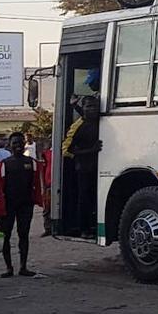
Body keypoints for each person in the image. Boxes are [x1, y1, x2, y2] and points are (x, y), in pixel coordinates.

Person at [0, 132, 47, 278]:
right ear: (9, 145)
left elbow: (39, 183)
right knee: (5, 236)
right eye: (15, 143)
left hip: (25, 205)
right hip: (7, 206)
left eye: (20, 142)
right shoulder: (3, 165)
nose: (18, 145)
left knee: (24, 235)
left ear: (24, 144)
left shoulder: (32, 163)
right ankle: (9, 268)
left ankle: (23, 267)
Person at [62, 97, 102, 238]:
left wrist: (76, 106)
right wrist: (92, 150)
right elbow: (66, 150)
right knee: (84, 199)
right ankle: (84, 229)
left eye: (95, 106)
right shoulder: (77, 126)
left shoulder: (99, 120)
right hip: (84, 168)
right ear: (84, 108)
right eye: (89, 106)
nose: (92, 109)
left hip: (98, 168)